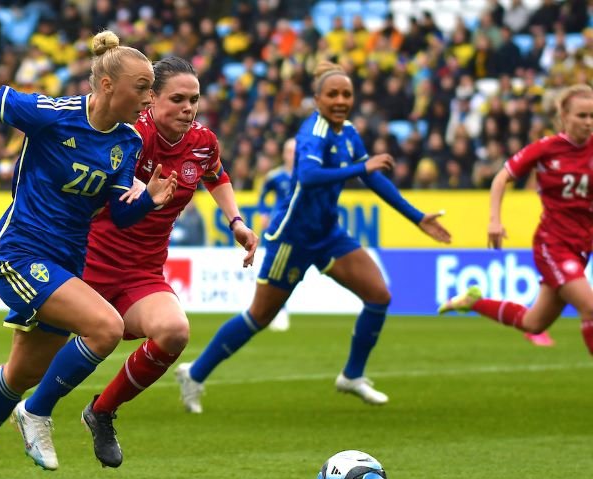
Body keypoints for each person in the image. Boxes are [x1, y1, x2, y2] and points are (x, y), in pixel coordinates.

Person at [0, 56, 257, 479]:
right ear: (113, 87)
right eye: (150, 91)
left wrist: (155, 201)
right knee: (102, 329)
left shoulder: (131, 141)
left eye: (187, 98)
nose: (155, 101)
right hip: (33, 255)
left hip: (82, 266)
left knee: (20, 373)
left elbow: (125, 210)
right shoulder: (64, 118)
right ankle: (36, 414)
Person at [174, 60, 451, 414]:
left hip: (328, 233)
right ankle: (194, 373)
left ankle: (352, 375)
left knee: (378, 295)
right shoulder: (313, 133)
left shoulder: (347, 131)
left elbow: (373, 177)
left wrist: (416, 217)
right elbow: (308, 175)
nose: (340, 100)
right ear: (317, 99)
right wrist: (359, 168)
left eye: (346, 94)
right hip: (293, 238)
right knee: (260, 316)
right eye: (332, 94)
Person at [439, 84, 593, 352]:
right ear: (564, 116)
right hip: (554, 244)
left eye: (592, 116)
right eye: (582, 116)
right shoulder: (546, 149)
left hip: (582, 245)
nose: (589, 122)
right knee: (590, 307)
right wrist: (494, 221)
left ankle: (473, 302)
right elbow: (502, 178)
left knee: (534, 323)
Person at [258, 137, 295, 332]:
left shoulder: (306, 175)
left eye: (296, 151)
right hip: (279, 228)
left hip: (300, 227)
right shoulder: (275, 176)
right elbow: (262, 196)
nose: (293, 155)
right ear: (284, 154)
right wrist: (264, 213)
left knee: (290, 269)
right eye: (289, 151)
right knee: (276, 268)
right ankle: (280, 310)